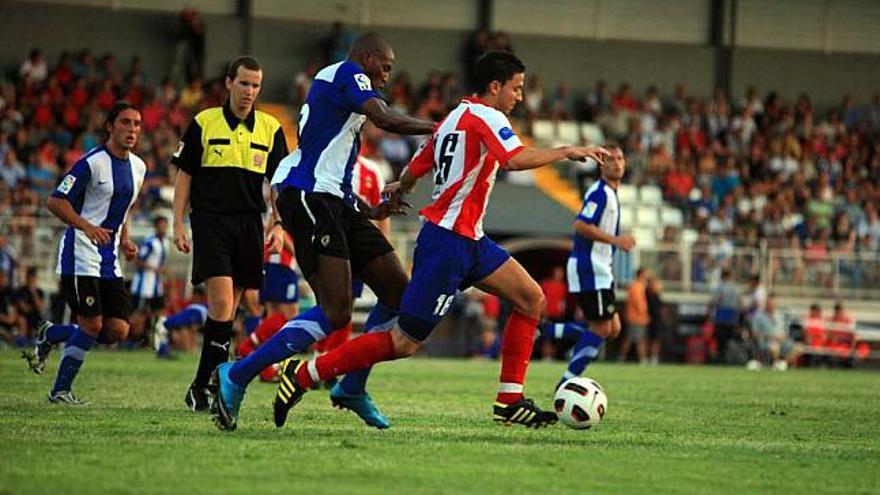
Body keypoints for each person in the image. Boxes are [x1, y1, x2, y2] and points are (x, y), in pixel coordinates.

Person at [243, 50, 609, 431]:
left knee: (531, 299)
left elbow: (420, 163)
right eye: (516, 89)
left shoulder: (454, 119)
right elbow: (512, 159)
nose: (520, 96)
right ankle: (305, 374)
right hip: (448, 243)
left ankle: (509, 399)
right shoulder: (486, 116)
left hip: (471, 239)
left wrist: (399, 187)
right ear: (495, 86)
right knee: (404, 342)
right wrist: (567, 151)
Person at [211, 33, 435, 431]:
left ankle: (351, 387)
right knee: (336, 311)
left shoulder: (345, 90)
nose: (387, 75)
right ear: (365, 58)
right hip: (308, 195)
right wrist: (442, 127)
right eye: (384, 65)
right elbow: (385, 118)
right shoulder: (349, 73)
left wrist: (370, 210)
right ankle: (237, 373)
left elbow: (335, 163)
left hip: (336, 200)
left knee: (401, 298)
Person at [171, 55, 288, 412]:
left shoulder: (271, 128)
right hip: (210, 221)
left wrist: (279, 223)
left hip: (250, 225)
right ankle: (213, 384)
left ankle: (201, 385)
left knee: (230, 311)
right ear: (228, 83)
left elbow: (278, 182)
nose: (249, 91)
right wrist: (177, 222)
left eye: (255, 85)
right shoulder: (204, 122)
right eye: (243, 83)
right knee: (221, 304)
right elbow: (185, 174)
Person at [24, 102, 145, 403]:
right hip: (80, 254)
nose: (132, 130)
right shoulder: (91, 163)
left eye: (137, 124)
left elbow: (124, 209)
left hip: (109, 259)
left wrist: (126, 240)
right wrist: (87, 227)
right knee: (91, 324)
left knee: (117, 330)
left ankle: (51, 334)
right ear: (110, 126)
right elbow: (55, 201)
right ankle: (60, 390)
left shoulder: (139, 167)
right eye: (125, 122)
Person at [554, 145, 635, 385]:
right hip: (590, 266)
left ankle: (547, 331)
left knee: (613, 328)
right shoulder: (599, 193)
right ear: (601, 164)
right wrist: (616, 240)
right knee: (602, 328)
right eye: (611, 159)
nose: (617, 163)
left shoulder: (611, 194)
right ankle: (567, 382)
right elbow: (581, 225)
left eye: (620, 158)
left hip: (601, 268)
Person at [129, 215, 169, 346]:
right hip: (144, 285)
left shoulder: (165, 242)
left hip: (156, 285)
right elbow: (138, 260)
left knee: (158, 313)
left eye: (166, 225)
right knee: (138, 314)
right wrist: (155, 268)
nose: (164, 228)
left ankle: (157, 342)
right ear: (156, 226)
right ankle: (129, 341)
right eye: (162, 225)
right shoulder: (150, 242)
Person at [751, 294, 801, 370]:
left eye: (773, 303)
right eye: (770, 303)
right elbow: (755, 333)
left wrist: (783, 337)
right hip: (767, 342)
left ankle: (783, 364)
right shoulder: (759, 316)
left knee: (799, 347)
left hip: (782, 342)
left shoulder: (780, 316)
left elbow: (785, 331)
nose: (772, 305)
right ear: (766, 304)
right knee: (775, 347)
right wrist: (771, 337)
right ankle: (776, 366)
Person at [617, 267, 650, 364]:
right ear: (641, 275)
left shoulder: (640, 287)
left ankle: (624, 357)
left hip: (639, 318)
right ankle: (641, 359)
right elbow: (639, 304)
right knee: (635, 340)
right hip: (636, 318)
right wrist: (645, 313)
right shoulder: (636, 287)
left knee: (636, 339)